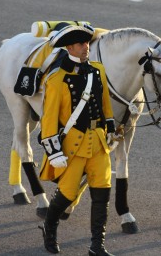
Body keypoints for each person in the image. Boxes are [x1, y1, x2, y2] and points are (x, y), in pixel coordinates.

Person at [38, 23, 117, 255]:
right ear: (70, 47)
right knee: (67, 194)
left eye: (87, 43)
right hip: (72, 145)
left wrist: (110, 127)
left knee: (102, 192)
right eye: (81, 44)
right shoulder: (57, 79)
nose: (86, 47)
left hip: (99, 142)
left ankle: (97, 245)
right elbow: (49, 120)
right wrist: (54, 152)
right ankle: (49, 227)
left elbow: (105, 105)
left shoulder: (98, 70)